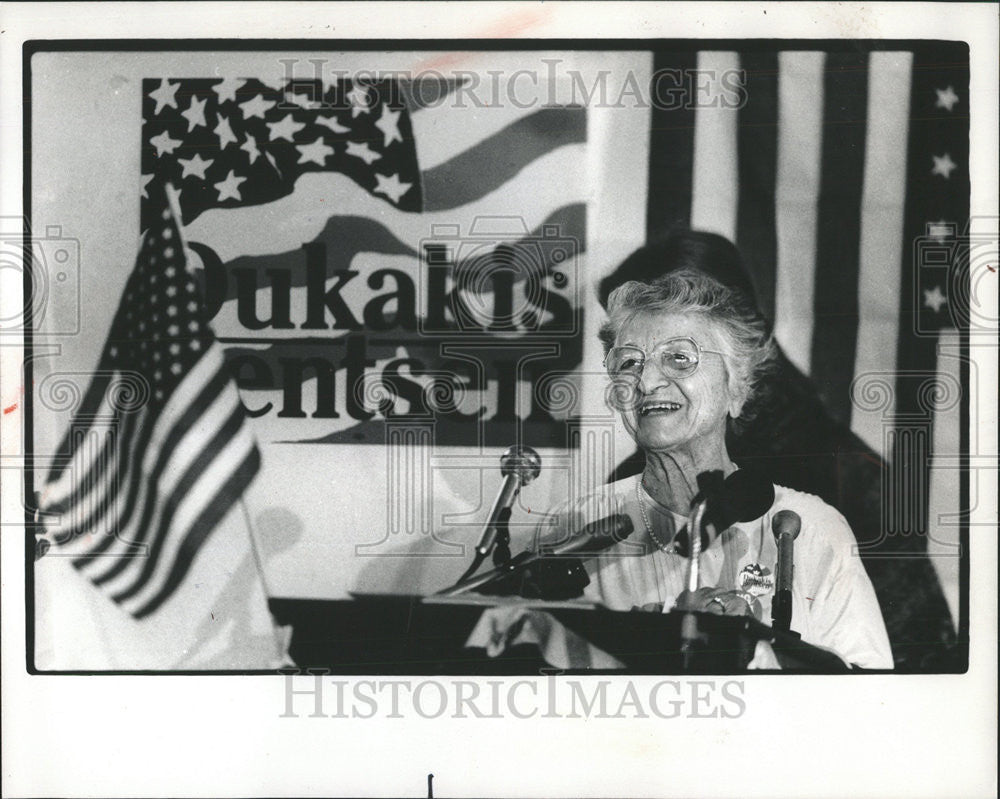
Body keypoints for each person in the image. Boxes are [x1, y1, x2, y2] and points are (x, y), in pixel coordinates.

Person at [533, 267, 893, 669]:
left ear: (735, 390)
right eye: (629, 363)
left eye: (679, 358)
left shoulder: (810, 529)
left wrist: (749, 646)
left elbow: (869, 699)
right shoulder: (575, 530)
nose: (647, 380)